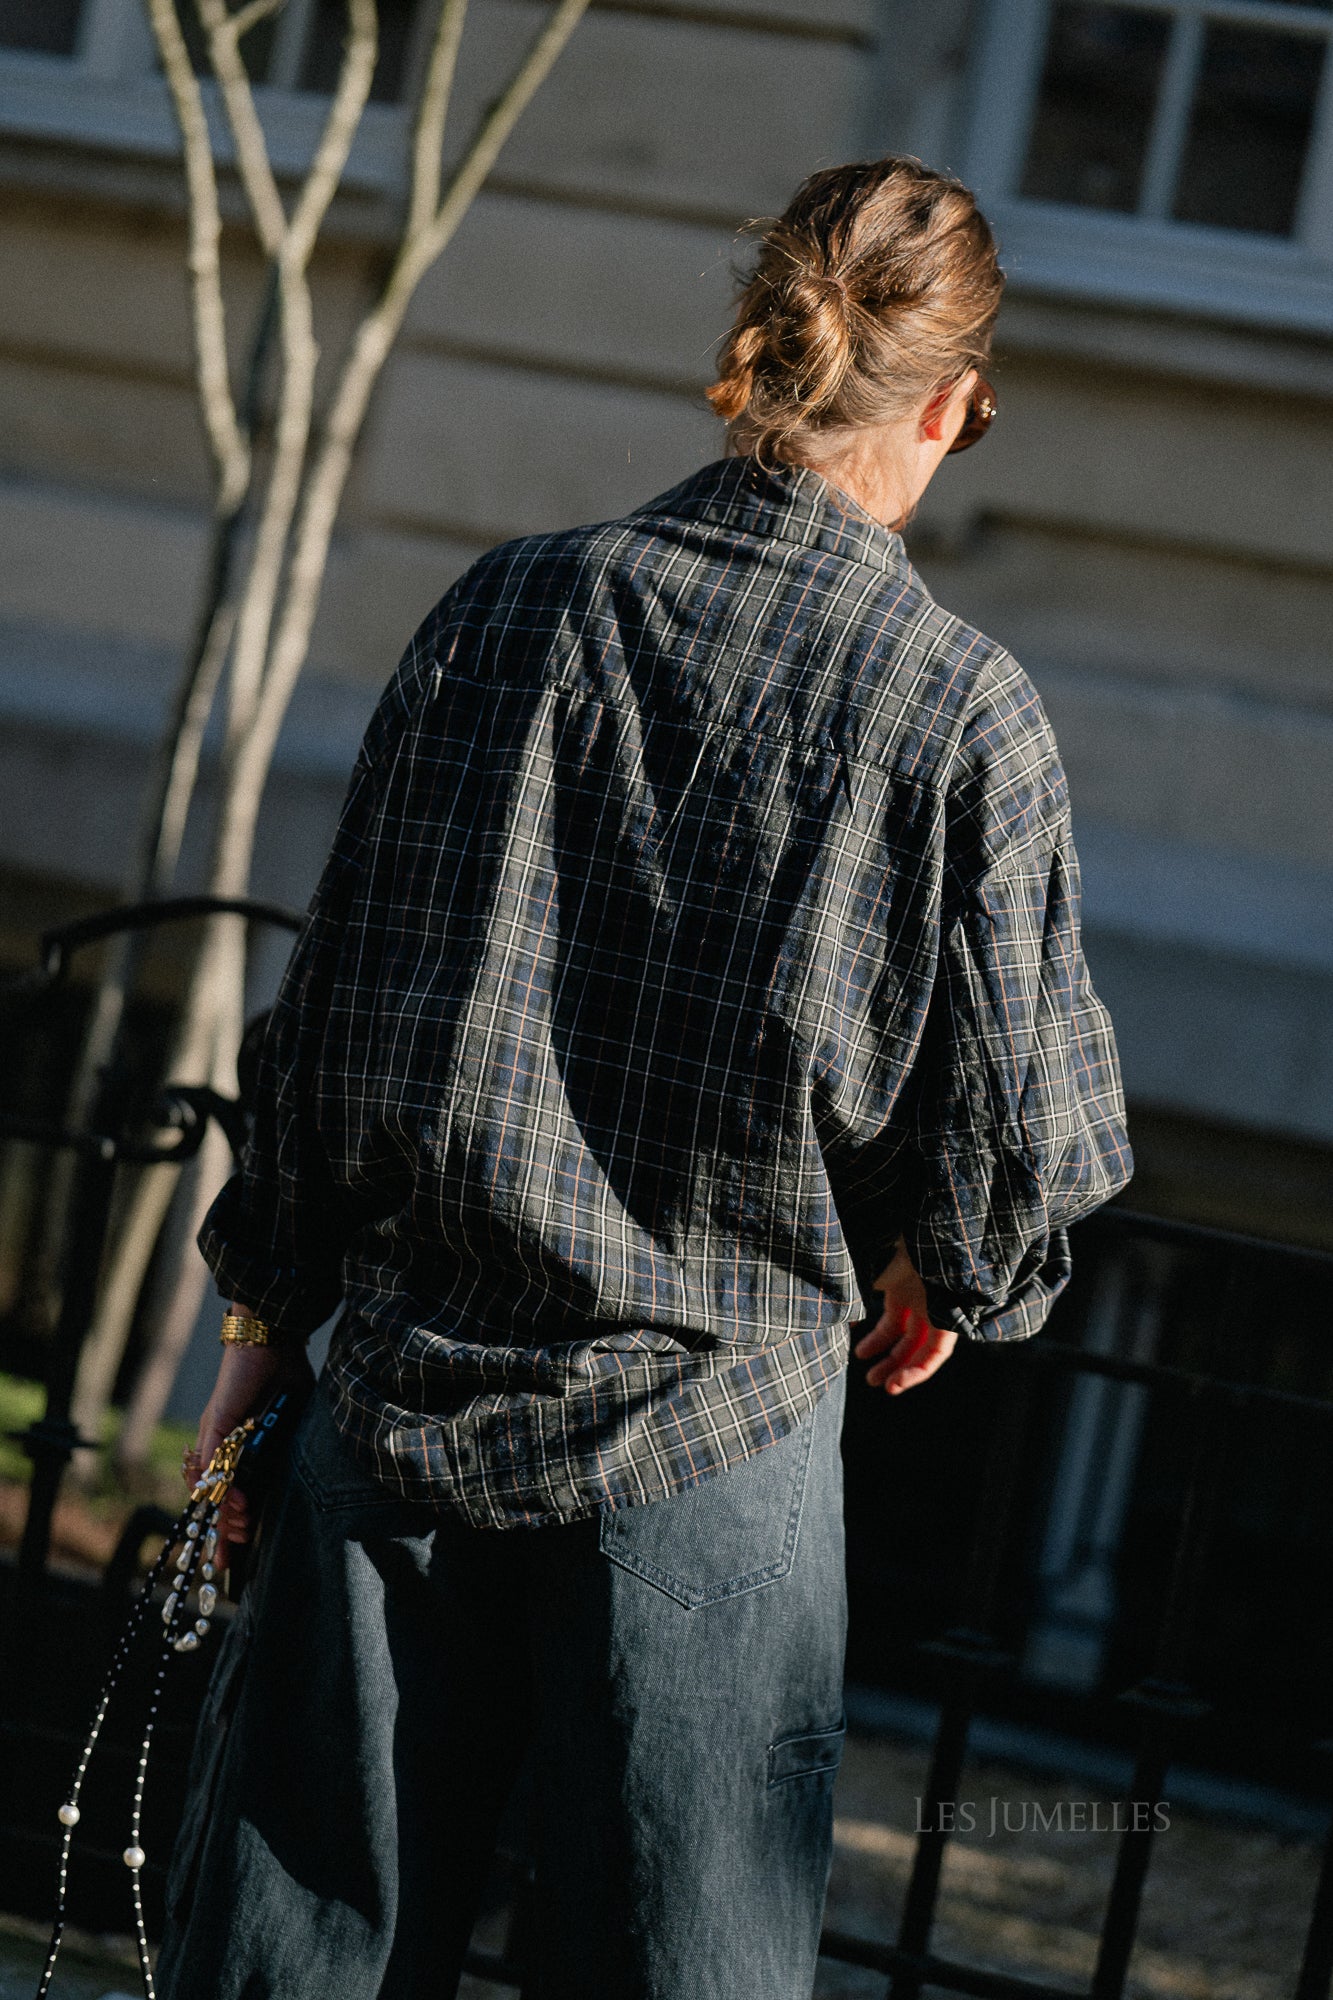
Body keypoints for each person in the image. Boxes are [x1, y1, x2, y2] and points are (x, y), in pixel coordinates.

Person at [158, 155, 1131, 2000]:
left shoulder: (508, 611)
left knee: (300, 1968)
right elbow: (1029, 1145)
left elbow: (336, 1015)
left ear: (756, 354)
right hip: (715, 1443)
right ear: (947, 403)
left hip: (401, 1405)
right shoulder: (956, 711)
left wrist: (258, 1327)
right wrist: (947, 1270)